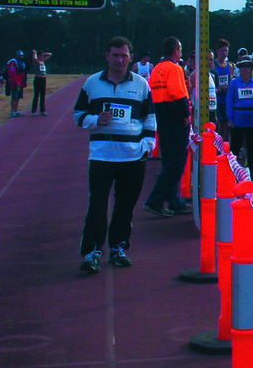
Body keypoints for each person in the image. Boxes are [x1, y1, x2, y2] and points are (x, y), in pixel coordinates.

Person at [74, 36, 157, 272]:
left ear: (131, 57)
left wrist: (147, 145)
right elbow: (78, 114)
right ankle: (92, 252)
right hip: (102, 156)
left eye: (124, 55)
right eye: (115, 55)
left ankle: (119, 247)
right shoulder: (92, 84)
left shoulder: (141, 84)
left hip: (132, 157)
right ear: (107, 56)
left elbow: (149, 118)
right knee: (98, 205)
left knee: (125, 205)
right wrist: (94, 119)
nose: (120, 60)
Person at [144, 37, 192, 216]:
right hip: (176, 119)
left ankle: (174, 201)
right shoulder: (174, 68)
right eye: (180, 50)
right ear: (176, 51)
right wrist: (186, 115)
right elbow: (177, 94)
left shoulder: (156, 69)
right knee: (177, 162)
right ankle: (155, 200)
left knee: (169, 161)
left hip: (161, 118)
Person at [226, 56, 253, 176]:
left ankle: (250, 171)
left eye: (247, 66)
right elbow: (230, 101)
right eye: (242, 66)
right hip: (238, 119)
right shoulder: (234, 83)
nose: (244, 69)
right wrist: (230, 119)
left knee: (252, 147)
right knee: (235, 147)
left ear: (251, 68)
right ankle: (233, 172)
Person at [5, 50, 27, 117]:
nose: (21, 57)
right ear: (16, 55)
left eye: (22, 55)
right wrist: (16, 82)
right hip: (15, 83)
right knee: (14, 97)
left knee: (18, 97)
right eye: (19, 55)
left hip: (20, 82)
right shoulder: (13, 62)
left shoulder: (21, 62)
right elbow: (12, 73)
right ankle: (12, 112)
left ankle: (16, 111)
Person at [31, 48, 52, 115]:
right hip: (38, 79)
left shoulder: (43, 60)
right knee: (36, 95)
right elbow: (34, 58)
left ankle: (42, 110)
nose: (43, 56)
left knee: (43, 95)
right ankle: (34, 111)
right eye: (41, 55)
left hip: (43, 79)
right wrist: (34, 53)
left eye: (43, 55)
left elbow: (50, 54)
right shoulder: (36, 61)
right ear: (38, 55)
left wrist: (44, 53)